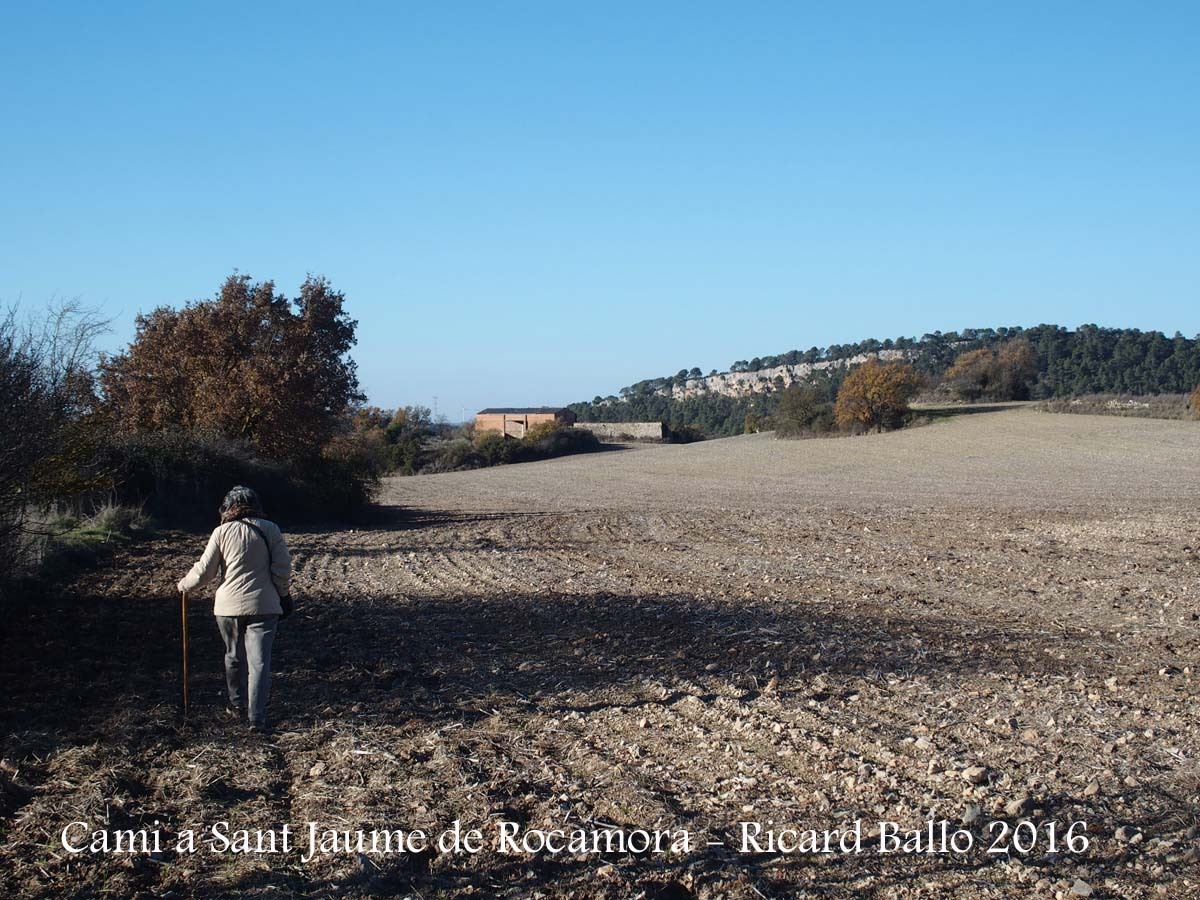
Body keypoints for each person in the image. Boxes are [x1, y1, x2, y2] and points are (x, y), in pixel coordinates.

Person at [178, 486, 292, 732]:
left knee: (233, 656)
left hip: (227, 607)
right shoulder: (270, 529)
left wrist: (184, 585)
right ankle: (257, 717)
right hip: (264, 605)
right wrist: (283, 594)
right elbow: (282, 568)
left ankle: (237, 703)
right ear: (256, 504)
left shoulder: (221, 532)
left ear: (227, 507)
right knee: (259, 662)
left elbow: (204, 571)